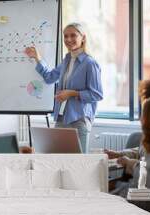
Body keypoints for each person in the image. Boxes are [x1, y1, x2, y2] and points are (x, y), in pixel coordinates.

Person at [25, 22, 103, 153]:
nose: (68, 39)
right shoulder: (67, 60)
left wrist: (72, 93)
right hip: (61, 117)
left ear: (83, 38)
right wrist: (38, 58)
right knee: (57, 161)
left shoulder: (90, 63)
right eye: (65, 36)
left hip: (79, 120)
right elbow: (50, 78)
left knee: (78, 165)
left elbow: (97, 95)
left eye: (73, 35)